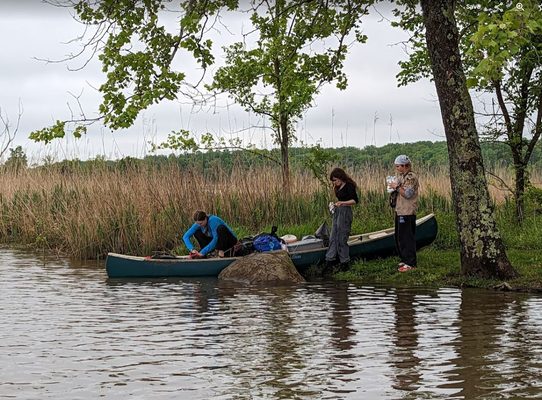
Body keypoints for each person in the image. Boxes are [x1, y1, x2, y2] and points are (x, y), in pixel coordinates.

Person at [324, 167, 359, 272]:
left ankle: (344, 262)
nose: (334, 182)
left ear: (340, 177)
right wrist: (335, 204)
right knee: (333, 235)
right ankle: (330, 259)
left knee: (341, 236)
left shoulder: (349, 185)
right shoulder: (337, 187)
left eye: (335, 180)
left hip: (345, 211)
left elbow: (354, 200)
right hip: (338, 211)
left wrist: (343, 203)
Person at [388, 155, 419, 272]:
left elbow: (408, 194)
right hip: (400, 210)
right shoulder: (401, 176)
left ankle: (411, 263)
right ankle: (404, 259)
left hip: (407, 211)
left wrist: (396, 187)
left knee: (407, 237)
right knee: (400, 237)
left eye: (398, 166)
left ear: (405, 165)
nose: (397, 169)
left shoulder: (411, 177)